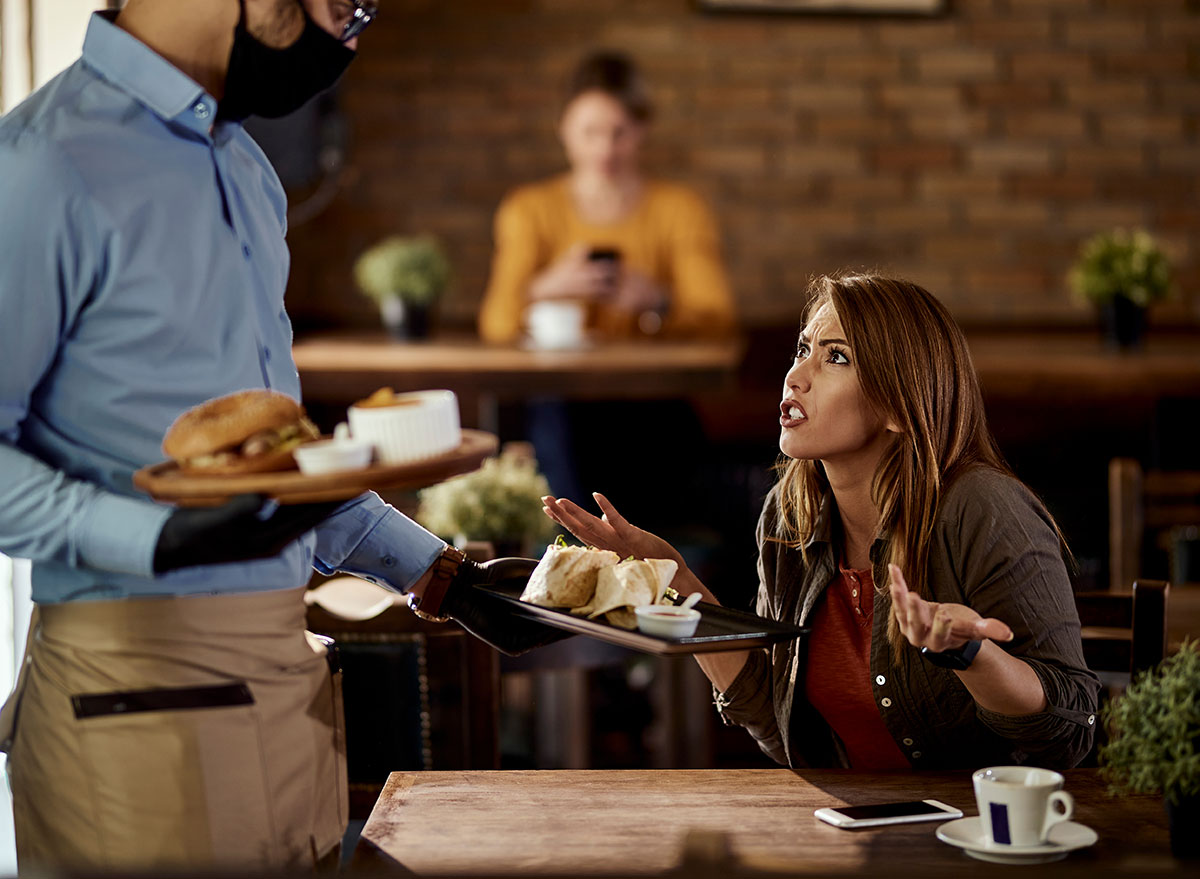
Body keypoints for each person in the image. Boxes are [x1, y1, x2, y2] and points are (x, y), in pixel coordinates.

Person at [0, 1, 559, 872]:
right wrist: (158, 536)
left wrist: (439, 575)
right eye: (345, 3)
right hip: (130, 682)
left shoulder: (246, 172)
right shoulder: (43, 164)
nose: (350, 35)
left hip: (287, 674)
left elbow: (278, 458)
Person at [544, 273, 1101, 770]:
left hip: (986, 833)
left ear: (900, 406)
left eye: (836, 358)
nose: (795, 376)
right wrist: (673, 581)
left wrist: (969, 654)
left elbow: (1069, 730)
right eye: (803, 348)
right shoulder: (789, 515)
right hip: (859, 834)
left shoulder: (983, 509)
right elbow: (775, 721)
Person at [478, 50, 737, 343]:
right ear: (563, 129)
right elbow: (495, 327)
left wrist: (658, 301)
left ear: (642, 130)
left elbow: (718, 319)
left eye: (619, 133)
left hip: (652, 382)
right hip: (553, 384)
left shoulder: (682, 210)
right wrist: (544, 289)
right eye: (590, 132)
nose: (605, 150)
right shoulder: (527, 209)